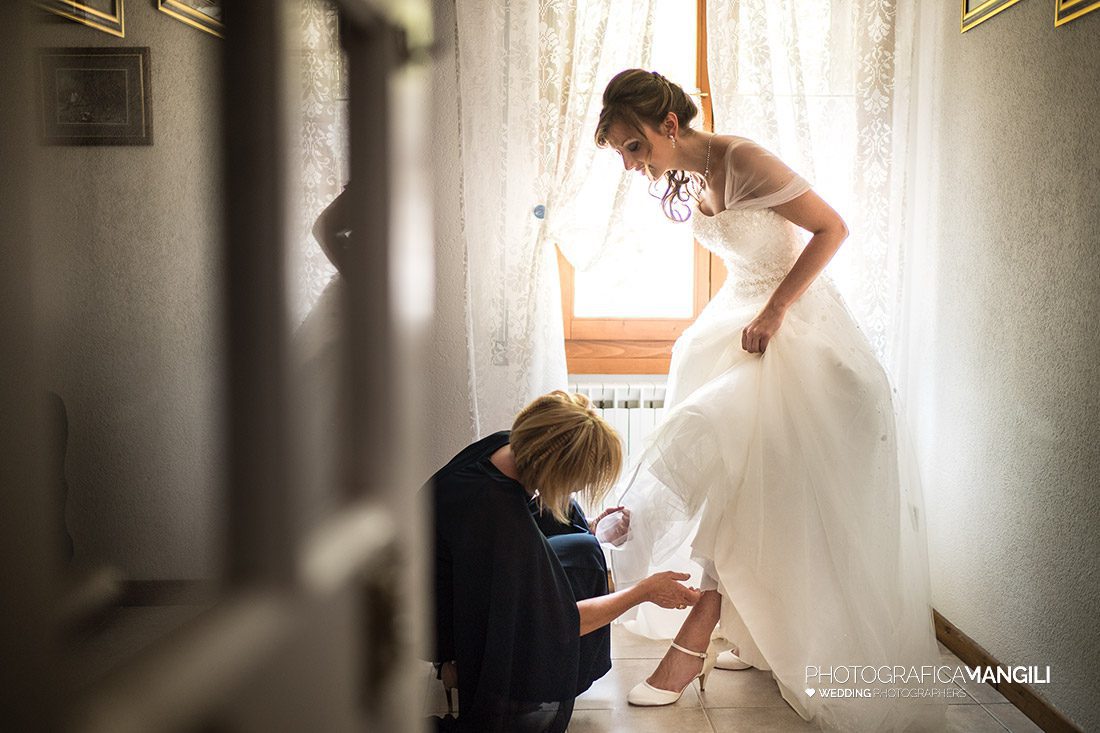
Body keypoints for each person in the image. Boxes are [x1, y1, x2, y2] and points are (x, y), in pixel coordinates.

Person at [594, 69, 945, 730]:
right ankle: (736, 623)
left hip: (800, 334)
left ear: (669, 123)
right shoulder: (687, 180)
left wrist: (778, 310)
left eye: (632, 145)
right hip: (740, 322)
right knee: (743, 478)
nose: (628, 161)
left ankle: (695, 630)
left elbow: (831, 228)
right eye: (619, 150)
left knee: (710, 435)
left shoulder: (742, 157)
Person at [427, 390, 702, 733]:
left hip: (452, 579)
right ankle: (499, 676)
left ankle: (526, 672)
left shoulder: (504, 447)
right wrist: (644, 591)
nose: (575, 488)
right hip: (440, 620)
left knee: (585, 548)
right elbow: (561, 623)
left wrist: (595, 532)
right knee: (581, 566)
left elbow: (533, 522)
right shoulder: (495, 513)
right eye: (576, 481)